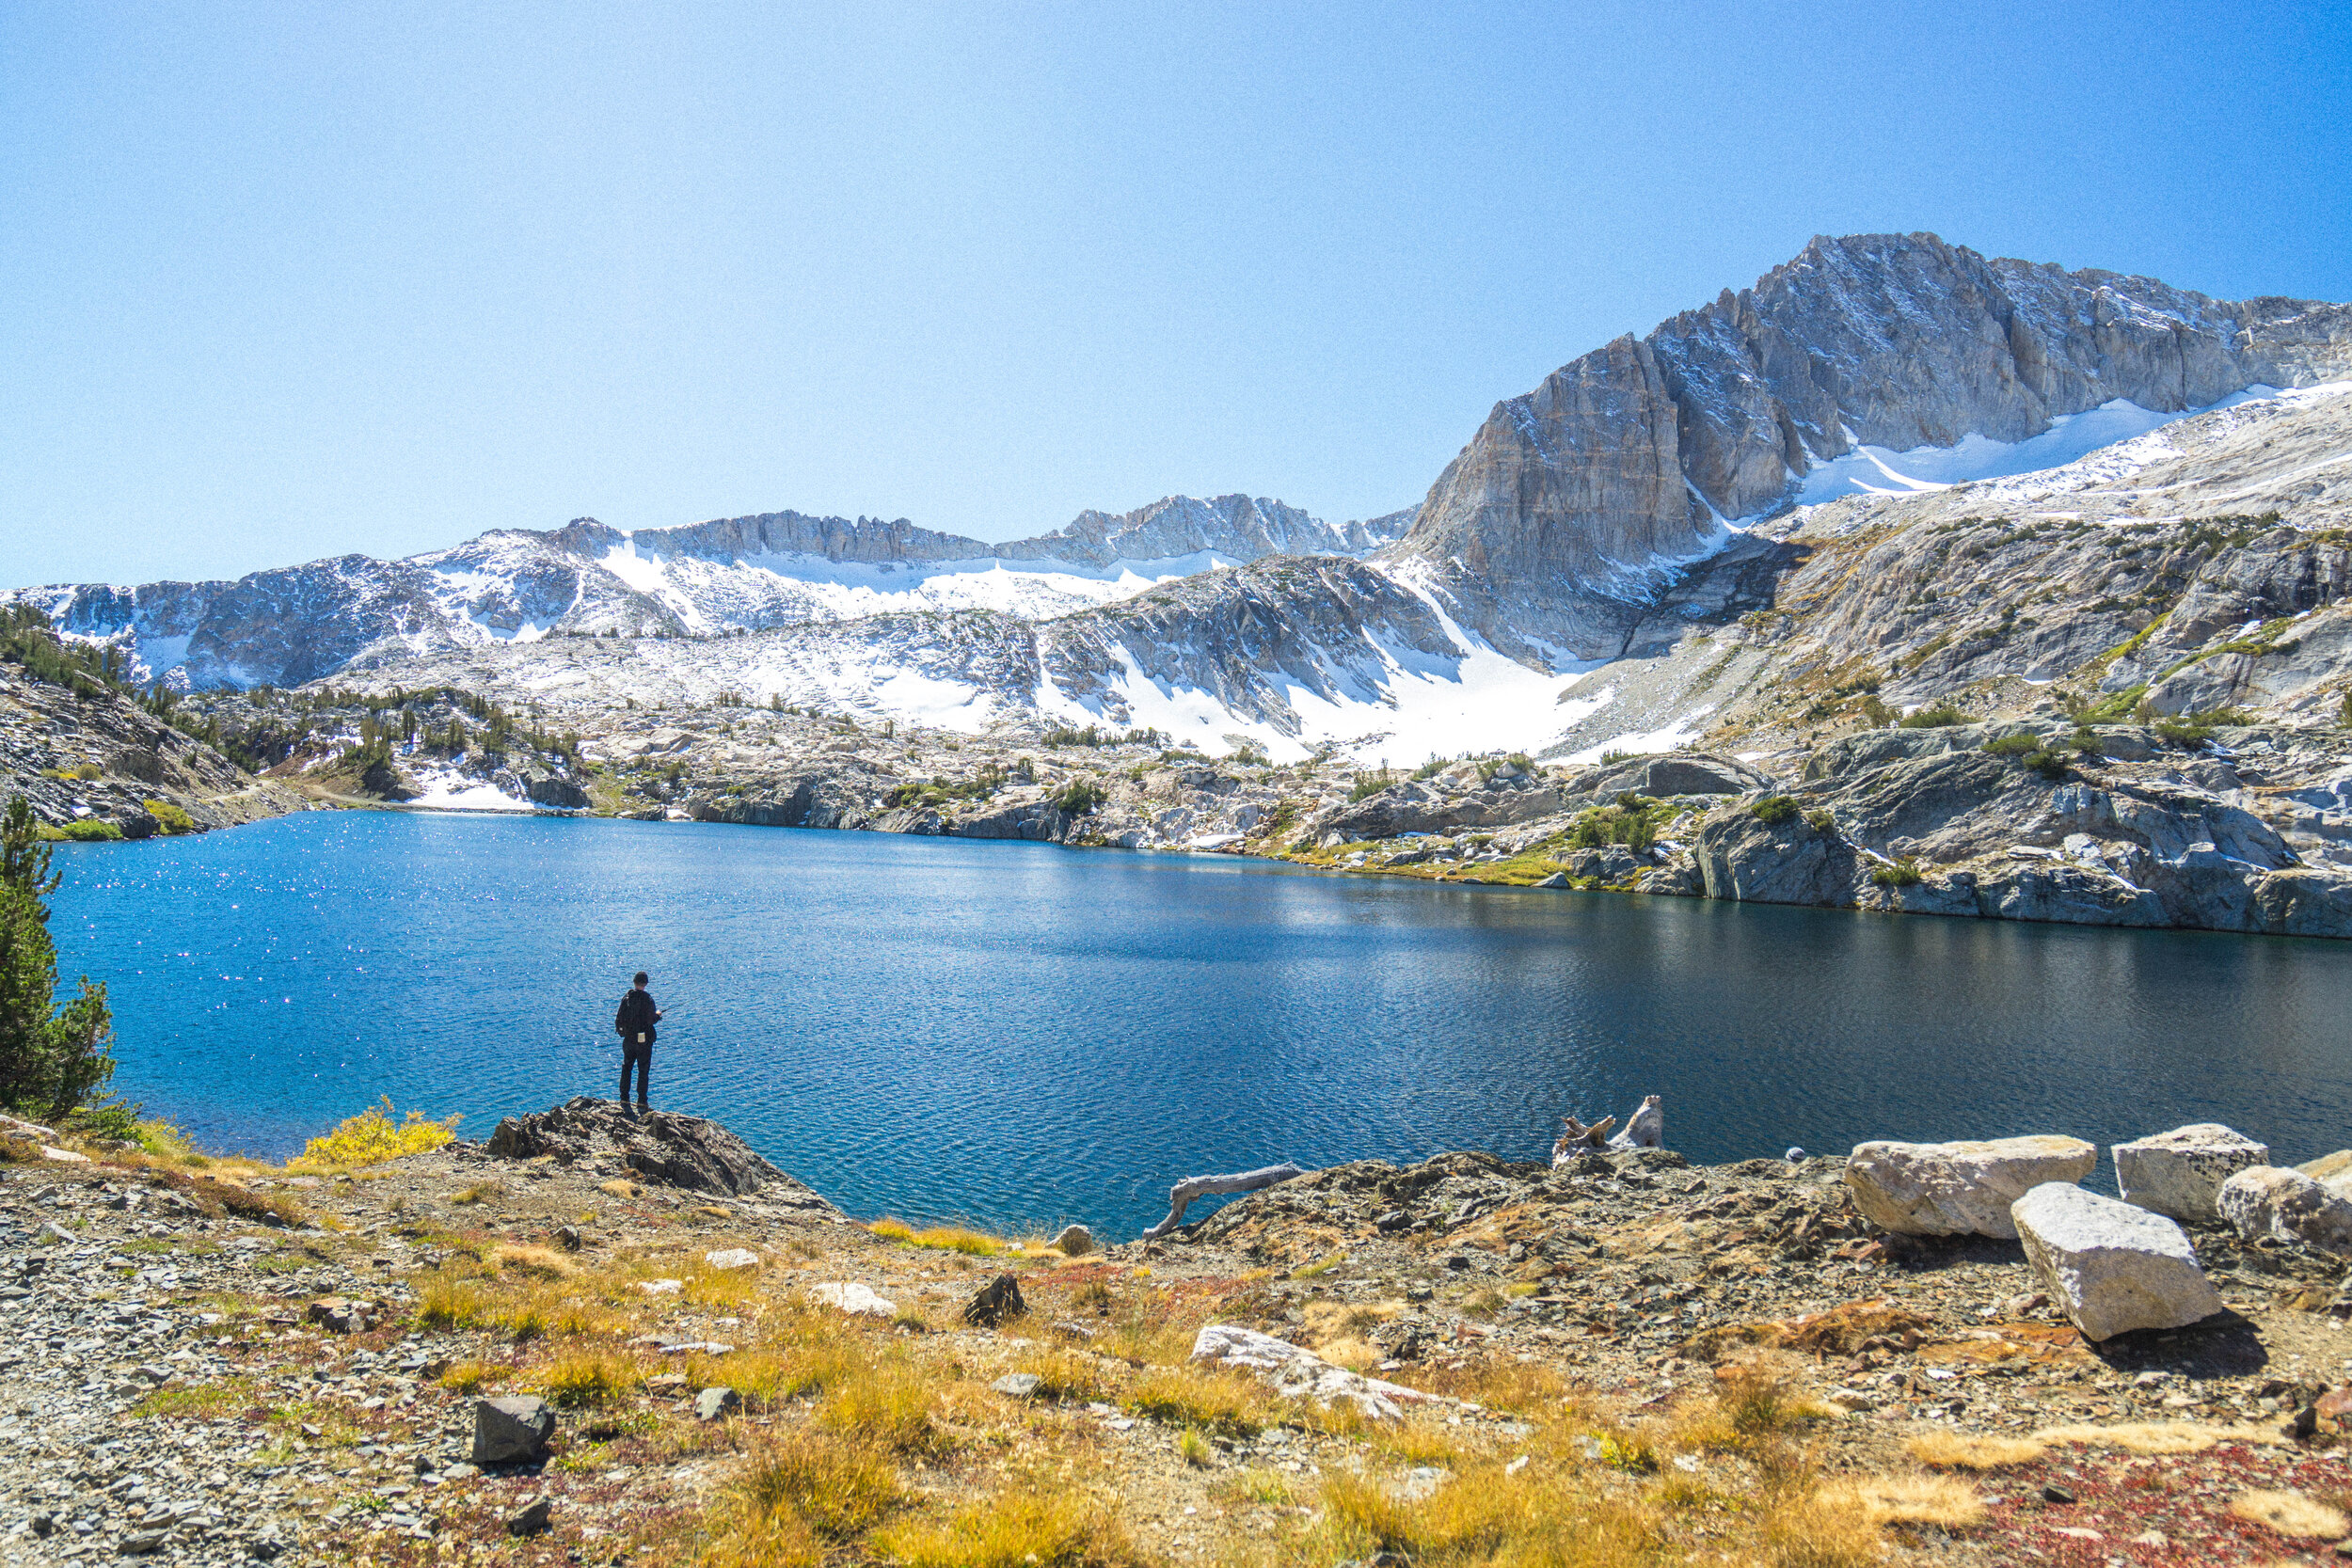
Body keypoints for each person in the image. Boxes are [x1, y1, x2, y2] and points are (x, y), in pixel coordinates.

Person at [614, 971, 662, 1112]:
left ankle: (624, 1098)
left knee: (626, 1067)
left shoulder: (627, 998)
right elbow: (651, 1020)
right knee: (643, 1070)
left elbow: (619, 1017)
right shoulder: (648, 999)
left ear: (634, 982)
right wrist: (658, 1015)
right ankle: (642, 1101)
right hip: (643, 1041)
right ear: (646, 984)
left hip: (628, 1039)